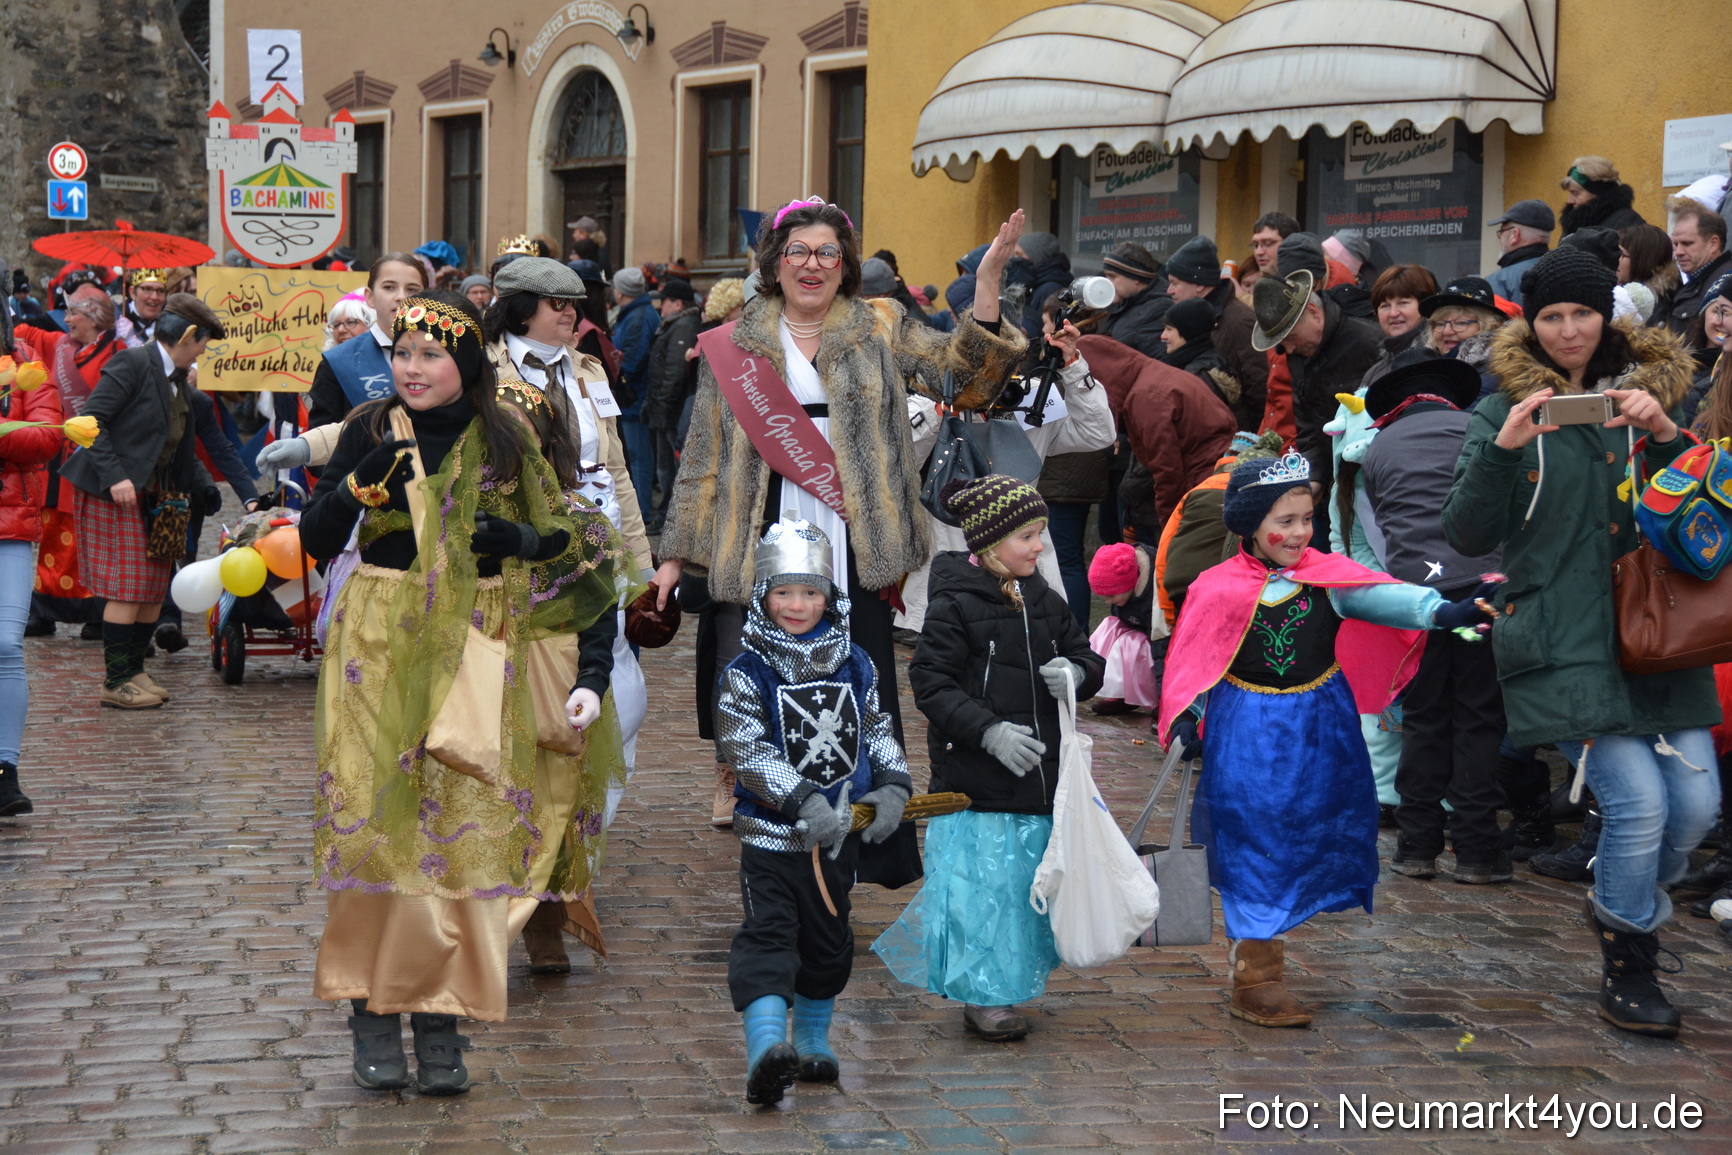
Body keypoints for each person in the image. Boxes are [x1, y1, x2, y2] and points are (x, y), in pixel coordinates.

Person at [300, 290, 624, 1093]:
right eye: (403, 353)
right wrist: (351, 490)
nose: (411, 368)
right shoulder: (370, 428)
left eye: (431, 355)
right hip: (378, 644)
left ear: (467, 364)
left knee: (458, 830)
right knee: (380, 826)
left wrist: (522, 538)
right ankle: (372, 1010)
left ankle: (439, 1018)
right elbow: (311, 539)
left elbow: (574, 540)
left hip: (479, 647)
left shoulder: (507, 439)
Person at [660, 196, 1027, 853]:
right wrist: (674, 554)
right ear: (774, 263)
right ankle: (778, 827)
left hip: (855, 536)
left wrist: (991, 284)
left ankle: (863, 839)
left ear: (845, 263)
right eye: (798, 251)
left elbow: (968, 380)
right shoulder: (738, 341)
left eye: (827, 251)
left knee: (860, 687)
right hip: (769, 532)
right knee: (773, 687)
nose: (812, 264)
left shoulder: (879, 325)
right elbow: (706, 458)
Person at [1443, 246, 1720, 1038]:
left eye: (1581, 313)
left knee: (1696, 808)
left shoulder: (1661, 395)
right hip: (1561, 639)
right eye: (1551, 316)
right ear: (1532, 322)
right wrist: (1504, 451)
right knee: (1635, 806)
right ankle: (1629, 956)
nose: (1567, 330)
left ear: (1608, 316)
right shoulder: (1502, 410)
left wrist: (1666, 433)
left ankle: (1622, 907)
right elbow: (1464, 530)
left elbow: (1705, 515)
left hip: (1662, 631)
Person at [1160, 452, 1494, 1027]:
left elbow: (1386, 597)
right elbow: (1195, 656)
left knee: (1311, 825)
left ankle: (1275, 929)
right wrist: (1189, 715)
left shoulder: (1328, 578)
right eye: (1283, 521)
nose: (1298, 533)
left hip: (1320, 726)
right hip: (1245, 726)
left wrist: (1443, 611)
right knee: (1250, 830)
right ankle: (1256, 974)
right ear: (1249, 524)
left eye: (1306, 519)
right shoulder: (1215, 588)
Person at [876, 475, 1104, 1041]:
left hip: (1037, 778)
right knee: (984, 890)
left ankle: (1010, 979)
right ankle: (984, 993)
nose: (1039, 547)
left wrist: (1076, 673)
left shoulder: (1044, 599)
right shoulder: (954, 603)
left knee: (1023, 885)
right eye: (1027, 535)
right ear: (989, 541)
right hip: (976, 778)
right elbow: (931, 682)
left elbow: (1085, 654)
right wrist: (989, 731)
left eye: (1042, 534)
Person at [718, 514, 912, 1104]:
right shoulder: (747, 671)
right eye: (783, 591)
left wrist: (893, 783)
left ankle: (812, 1041)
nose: (796, 604)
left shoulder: (855, 662)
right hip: (775, 838)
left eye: (809, 591)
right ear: (763, 594)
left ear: (828, 595)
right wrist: (801, 798)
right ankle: (767, 1051)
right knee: (770, 937)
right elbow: (746, 748)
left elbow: (875, 725)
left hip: (836, 839)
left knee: (828, 940)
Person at [1358, 351, 1507, 882]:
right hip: (1483, 596)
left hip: (1416, 606)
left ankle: (1416, 845)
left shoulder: (1377, 448)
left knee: (1423, 718)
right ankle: (1477, 849)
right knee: (1478, 717)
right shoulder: (1479, 429)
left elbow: (1382, 529)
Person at [58, 295, 226, 709]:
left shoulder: (180, 379)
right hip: (114, 494)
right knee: (129, 587)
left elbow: (178, 445)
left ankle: (133, 669)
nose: (205, 349)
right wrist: (115, 476)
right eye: (203, 341)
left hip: (159, 498)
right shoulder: (132, 363)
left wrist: (203, 485)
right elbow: (88, 423)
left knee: (153, 590)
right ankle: (115, 681)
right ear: (188, 336)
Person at [1251, 238, 1381, 546]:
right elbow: (1307, 421)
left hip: (1370, 487)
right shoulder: (1297, 350)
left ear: (1314, 312)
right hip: (1329, 489)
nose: (1289, 349)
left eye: (1292, 337)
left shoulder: (1365, 340)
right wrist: (1316, 476)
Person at [0, 276, 64, 815]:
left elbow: (46, 436)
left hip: (10, 524)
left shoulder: (24, 361)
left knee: (5, 644)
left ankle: (5, 770)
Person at [1085, 332, 1235, 545]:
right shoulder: (1154, 375)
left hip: (1201, 483)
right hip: (1215, 476)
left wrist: (1170, 531)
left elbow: (1167, 471)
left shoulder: (1146, 397)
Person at [306, 253, 426, 429]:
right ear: (370, 297)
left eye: (412, 290)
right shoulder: (337, 362)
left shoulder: (446, 351)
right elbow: (322, 440)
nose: (401, 297)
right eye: (389, 287)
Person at [1165, 235, 1267, 431]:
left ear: (1199, 284)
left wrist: (1252, 442)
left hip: (1235, 440)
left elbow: (1259, 386)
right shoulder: (1191, 317)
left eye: (1175, 283)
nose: (1169, 290)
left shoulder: (1240, 321)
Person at [642, 278, 702, 532]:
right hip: (664, 409)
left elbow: (674, 372)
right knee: (665, 467)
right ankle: (667, 515)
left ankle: (670, 517)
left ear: (677, 304)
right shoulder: (675, 324)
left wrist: (663, 407)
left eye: (664, 302)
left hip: (671, 410)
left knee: (670, 469)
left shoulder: (683, 326)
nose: (660, 307)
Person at [1086, 541, 1158, 716]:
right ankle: (1119, 692)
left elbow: (1163, 644)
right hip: (1138, 630)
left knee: (1132, 645)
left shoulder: (1153, 599)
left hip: (1157, 642)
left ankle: (1154, 698)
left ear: (1130, 583)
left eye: (1111, 596)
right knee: (1109, 629)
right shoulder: (1124, 596)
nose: (1107, 602)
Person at [609, 267, 660, 514]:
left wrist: (618, 378)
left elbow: (633, 358)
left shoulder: (638, 316)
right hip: (632, 397)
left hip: (635, 397)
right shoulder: (634, 313)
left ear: (621, 292)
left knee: (638, 456)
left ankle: (643, 511)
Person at [1662, 204, 1731, 340]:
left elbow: (1722, 341)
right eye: (1676, 244)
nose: (1678, 252)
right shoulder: (1693, 282)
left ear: (1713, 244)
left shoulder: (1726, 285)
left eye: (1687, 243)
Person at [1159, 297, 1236, 411]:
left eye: (1169, 329)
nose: (1163, 336)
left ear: (1188, 331)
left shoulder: (1197, 376)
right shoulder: (1205, 363)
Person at [1094, 242, 1169, 357]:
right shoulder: (1125, 303)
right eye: (1107, 276)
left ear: (1136, 277)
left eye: (1113, 277)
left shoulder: (1158, 310)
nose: (1108, 283)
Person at [1486, 200, 1555, 308]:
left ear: (1515, 234)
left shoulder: (1498, 281)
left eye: (1502, 231)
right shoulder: (1565, 269)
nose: (1500, 239)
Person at [1559, 157, 1645, 237]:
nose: (1569, 200)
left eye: (1575, 193)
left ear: (1597, 193)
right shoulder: (1574, 222)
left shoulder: (1627, 224)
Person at [1013, 232, 1073, 341]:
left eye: (1020, 255)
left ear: (1036, 256)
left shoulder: (1050, 288)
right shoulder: (1036, 281)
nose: (1015, 259)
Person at [1618, 224, 1679, 325]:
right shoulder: (1619, 293)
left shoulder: (1656, 311)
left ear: (1642, 261)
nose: (1616, 259)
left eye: (1623, 254)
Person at [114, 269, 169, 348]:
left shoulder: (171, 320)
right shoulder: (116, 317)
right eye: (147, 289)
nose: (154, 297)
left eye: (160, 291)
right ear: (132, 292)